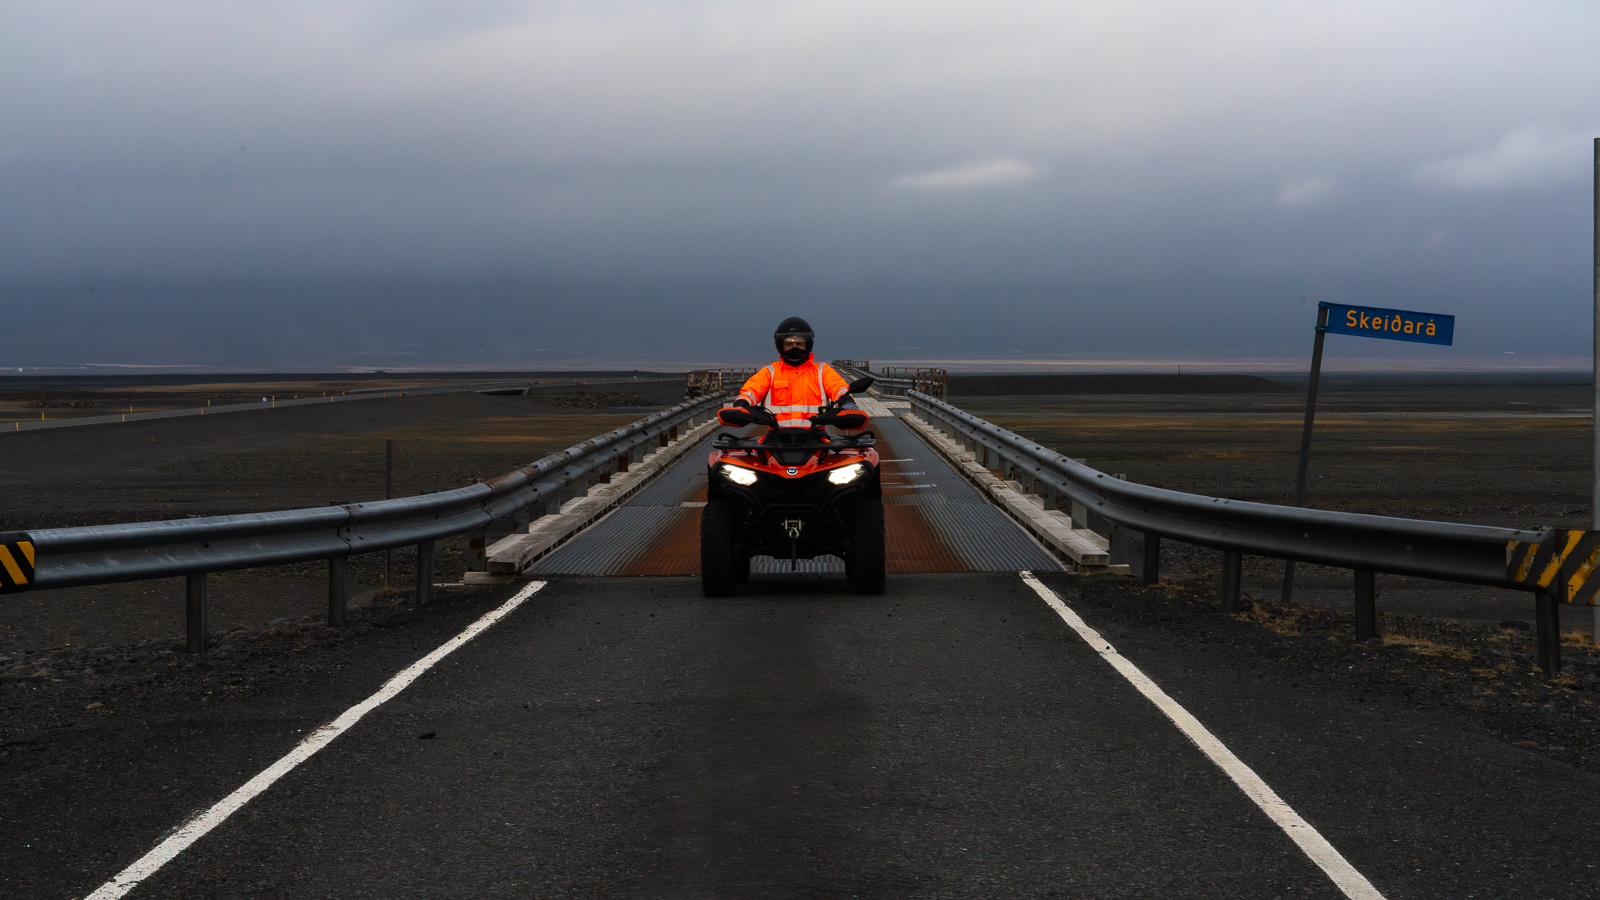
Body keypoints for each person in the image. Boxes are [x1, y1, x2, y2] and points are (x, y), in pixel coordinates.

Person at [719, 317, 867, 430]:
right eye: (789, 344)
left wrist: (848, 403)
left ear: (807, 344)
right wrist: (740, 405)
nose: (794, 348)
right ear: (781, 345)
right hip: (776, 436)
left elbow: (839, 388)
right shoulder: (770, 372)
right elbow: (751, 390)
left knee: (856, 461)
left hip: (815, 435)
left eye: (799, 344)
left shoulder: (822, 370)